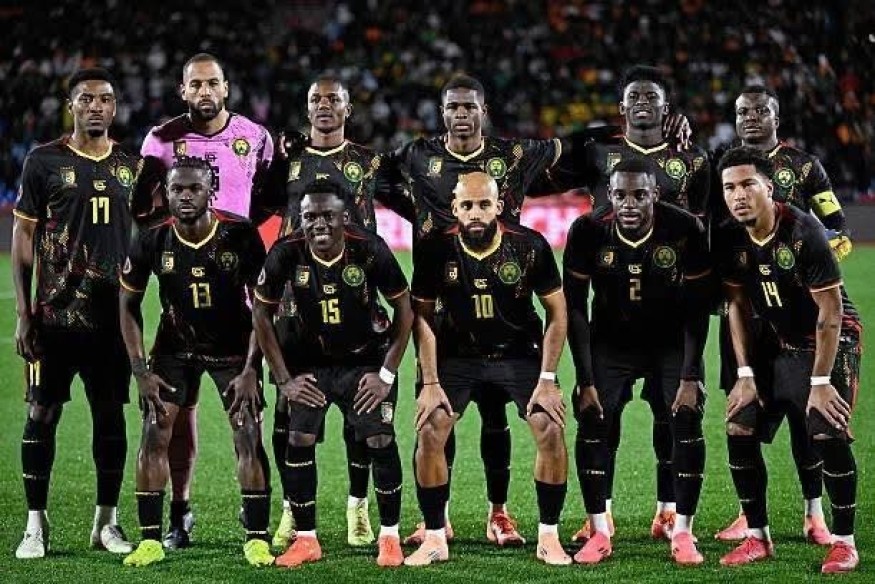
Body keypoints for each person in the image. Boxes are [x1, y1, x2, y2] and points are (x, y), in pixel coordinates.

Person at [551, 64, 711, 544]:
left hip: (671, 312)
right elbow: (541, 177)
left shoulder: (692, 157)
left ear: (667, 107)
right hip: (612, 309)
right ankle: (600, 516)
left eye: (651, 97)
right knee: (601, 418)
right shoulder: (598, 152)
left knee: (672, 416)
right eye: (634, 97)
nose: (643, 104)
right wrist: (600, 129)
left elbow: (703, 224)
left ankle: (668, 511)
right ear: (622, 107)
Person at [264, 73, 415, 550]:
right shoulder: (288, 162)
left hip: (357, 301)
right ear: (307, 108)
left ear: (348, 108)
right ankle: (292, 510)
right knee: (288, 416)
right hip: (295, 308)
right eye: (316, 99)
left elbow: (411, 205)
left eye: (334, 99)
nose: (324, 105)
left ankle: (358, 506)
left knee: (360, 415)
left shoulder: (370, 163)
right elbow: (254, 206)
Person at [134, 52, 275, 549]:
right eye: (195, 85)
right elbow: (141, 206)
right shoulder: (161, 139)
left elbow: (273, 192)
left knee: (247, 419)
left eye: (212, 83)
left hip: (235, 288)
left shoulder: (256, 136)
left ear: (226, 87)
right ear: (183, 90)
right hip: (182, 294)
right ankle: (180, 512)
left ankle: (257, 519)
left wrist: (242, 231)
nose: (204, 92)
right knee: (174, 421)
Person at [12, 67, 146, 559]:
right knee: (41, 413)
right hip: (54, 319)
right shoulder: (43, 161)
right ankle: (35, 524)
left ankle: (106, 523)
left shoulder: (132, 166)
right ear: (71, 105)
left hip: (113, 323)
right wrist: (23, 313)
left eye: (105, 99)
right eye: (86, 99)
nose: (96, 106)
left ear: (114, 108)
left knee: (110, 415)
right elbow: (24, 236)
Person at [405, 172, 570, 566]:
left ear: (499, 206)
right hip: (458, 355)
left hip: (518, 353)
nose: (475, 213)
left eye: (483, 204)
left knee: (550, 426)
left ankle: (549, 537)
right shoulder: (434, 248)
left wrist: (548, 379)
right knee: (430, 428)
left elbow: (557, 312)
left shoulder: (529, 245)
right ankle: (435, 536)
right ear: (454, 209)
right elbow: (421, 317)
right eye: (467, 205)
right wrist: (430, 381)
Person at [714, 86, 852, 544]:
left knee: (803, 414)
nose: (750, 117)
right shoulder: (723, 165)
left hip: (799, 303)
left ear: (777, 117)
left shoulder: (805, 166)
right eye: (742, 111)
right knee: (744, 409)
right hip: (750, 308)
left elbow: (835, 223)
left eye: (760, 110)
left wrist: (811, 262)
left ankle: (814, 512)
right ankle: (749, 514)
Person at [119, 156, 272, 567]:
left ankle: (256, 537)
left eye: (194, 188)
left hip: (232, 349)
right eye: (176, 189)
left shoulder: (239, 234)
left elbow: (263, 307)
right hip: (174, 348)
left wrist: (251, 369)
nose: (185, 196)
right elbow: (127, 304)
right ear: (166, 194)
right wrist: (141, 371)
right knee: (155, 432)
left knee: (247, 433)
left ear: (211, 191)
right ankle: (151, 539)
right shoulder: (152, 238)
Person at [253, 180, 413, 568]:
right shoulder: (285, 252)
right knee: (299, 438)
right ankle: (307, 539)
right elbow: (261, 313)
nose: (319, 224)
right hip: (311, 364)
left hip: (365, 362)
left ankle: (389, 537)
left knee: (379, 438)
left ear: (345, 217)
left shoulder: (370, 248)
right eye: (310, 217)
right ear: (300, 219)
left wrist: (386, 374)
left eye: (328, 215)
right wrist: (284, 379)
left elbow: (405, 309)